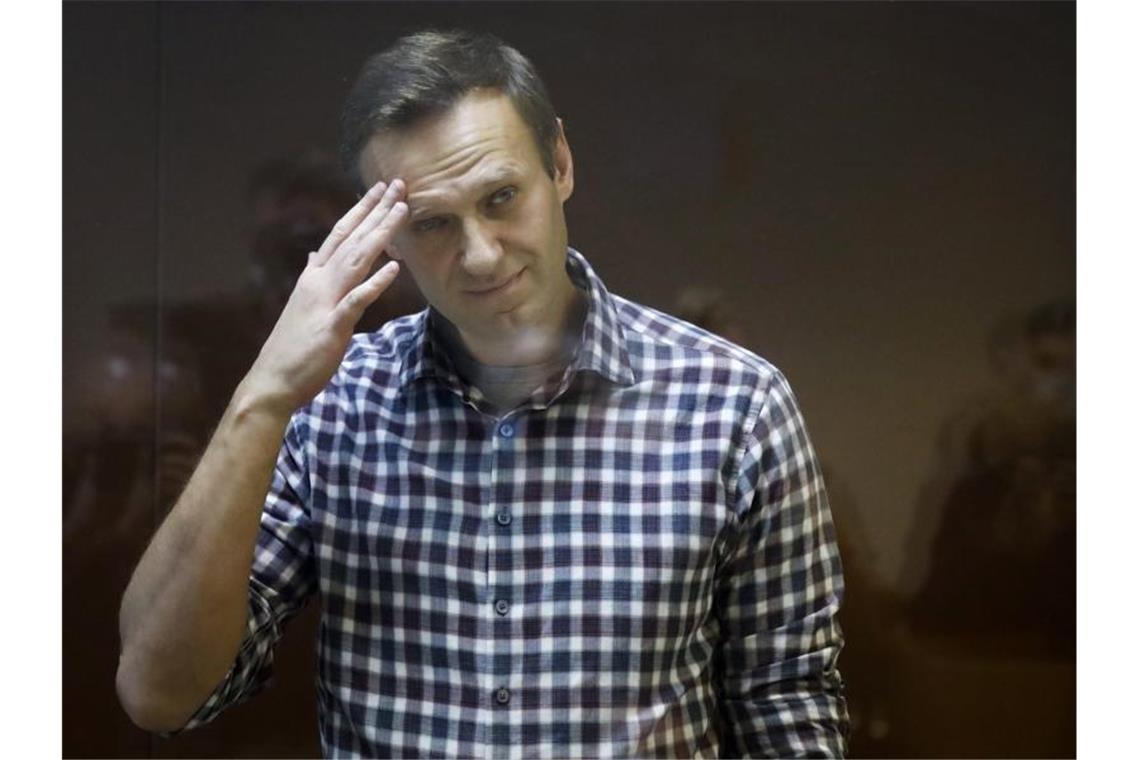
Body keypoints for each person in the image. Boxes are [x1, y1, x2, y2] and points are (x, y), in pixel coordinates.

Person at [116, 29, 848, 758]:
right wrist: (264, 396)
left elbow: (785, 704)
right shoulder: (334, 405)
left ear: (559, 163)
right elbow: (161, 694)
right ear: (384, 233)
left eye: (501, 197)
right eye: (432, 223)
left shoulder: (734, 404)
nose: (481, 255)